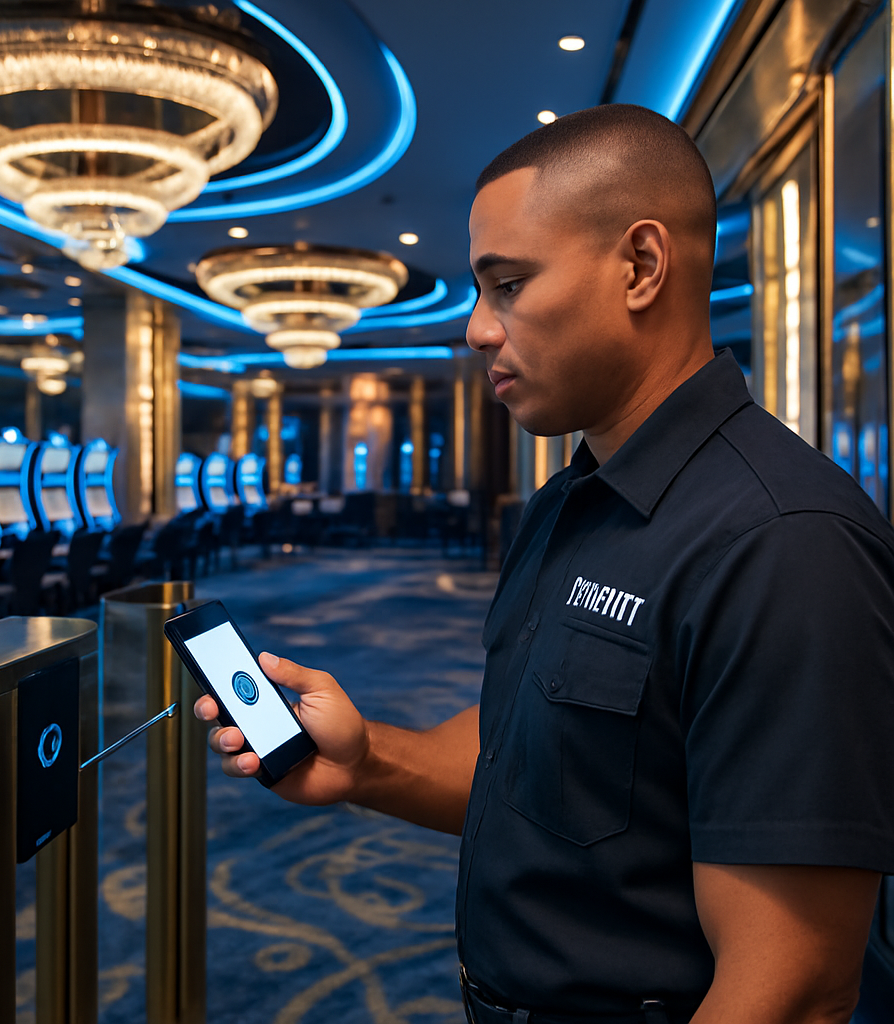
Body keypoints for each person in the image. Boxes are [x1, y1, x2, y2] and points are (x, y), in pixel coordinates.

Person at [194, 104, 894, 1024]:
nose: (479, 329)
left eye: (509, 285)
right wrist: (368, 763)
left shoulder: (784, 542)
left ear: (640, 266)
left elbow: (792, 987)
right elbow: (525, 750)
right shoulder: (575, 498)